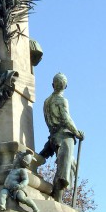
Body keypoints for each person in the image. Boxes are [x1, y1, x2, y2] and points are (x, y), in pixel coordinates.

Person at [39, 73, 84, 202]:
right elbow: (66, 118)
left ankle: (58, 197)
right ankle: (57, 200)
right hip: (64, 136)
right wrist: (76, 132)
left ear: (52, 85)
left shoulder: (46, 101)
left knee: (73, 165)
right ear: (66, 86)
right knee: (65, 169)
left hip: (53, 135)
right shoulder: (62, 100)